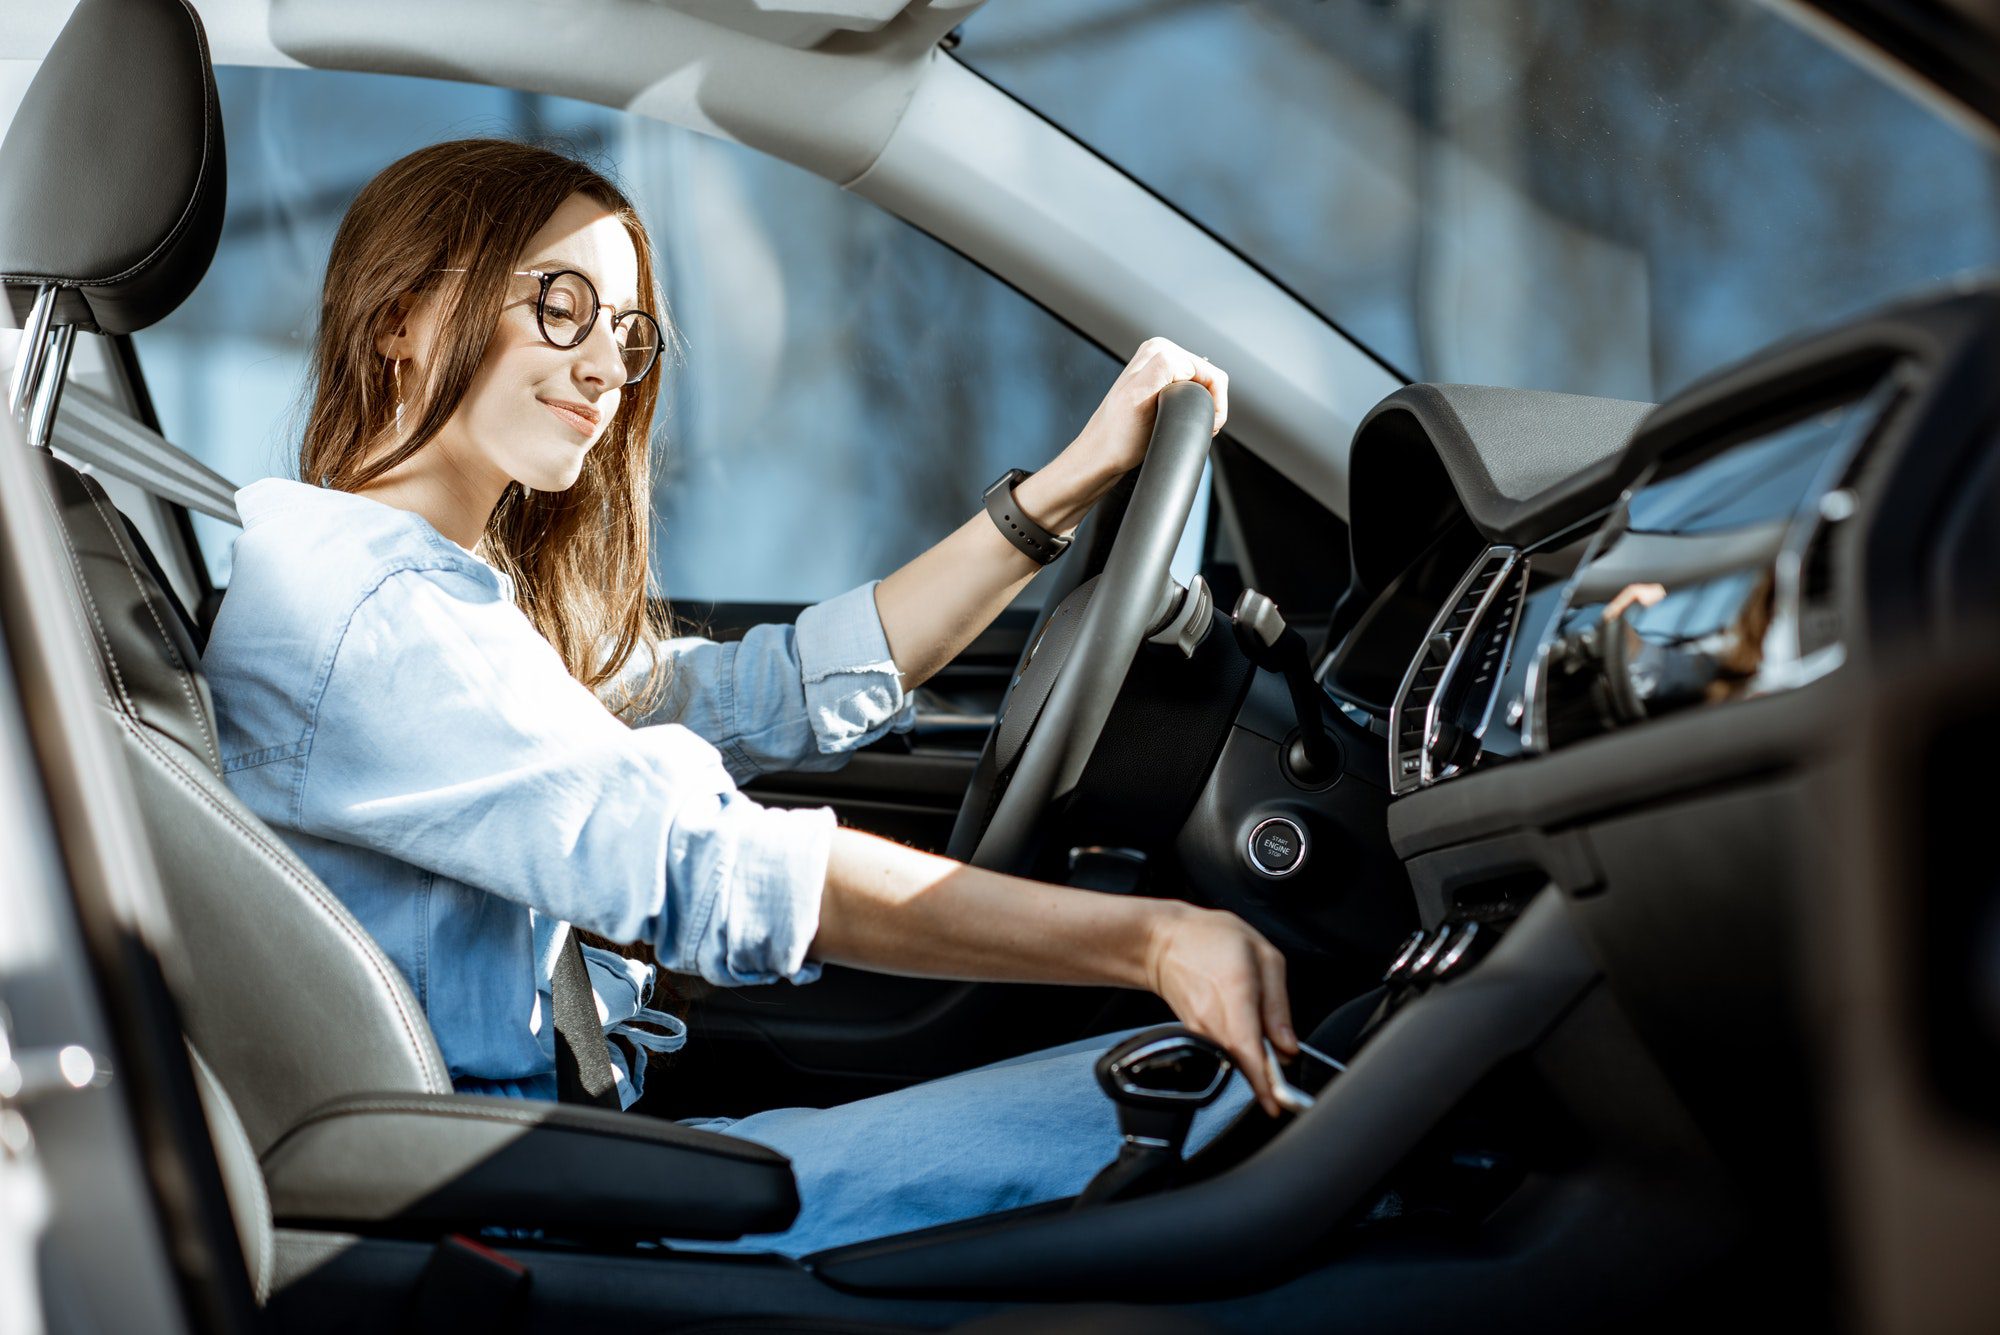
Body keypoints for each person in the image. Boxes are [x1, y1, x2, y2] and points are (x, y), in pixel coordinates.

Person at [203, 138, 1296, 1256]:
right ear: (400, 316)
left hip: (567, 1169)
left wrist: (1058, 492)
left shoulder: (430, 592)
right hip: (523, 1224)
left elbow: (763, 691)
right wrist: (1149, 940)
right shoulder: (377, 609)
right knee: (1223, 1114)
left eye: (626, 336)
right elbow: (717, 873)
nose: (603, 369)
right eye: (560, 306)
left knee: (1182, 1108)